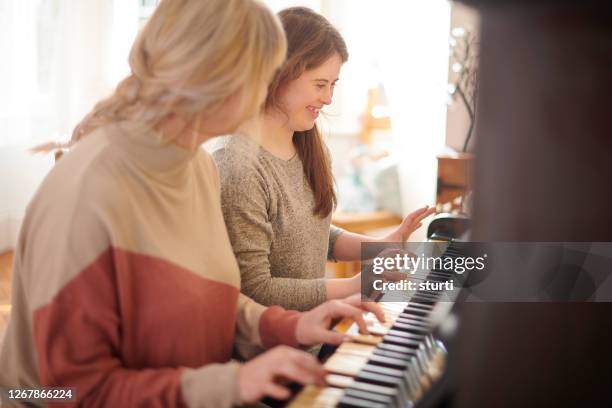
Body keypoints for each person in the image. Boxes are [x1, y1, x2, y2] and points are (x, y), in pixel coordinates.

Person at [0, 1, 383, 406]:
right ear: (216, 77)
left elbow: (211, 297)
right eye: (263, 73)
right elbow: (66, 390)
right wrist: (230, 384)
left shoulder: (197, 167)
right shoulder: (89, 192)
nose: (267, 89)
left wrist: (291, 326)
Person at [213, 7, 435, 312]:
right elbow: (256, 289)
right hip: (274, 354)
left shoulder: (309, 150)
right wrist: (360, 282)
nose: (328, 98)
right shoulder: (239, 169)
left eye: (333, 84)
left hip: (317, 338)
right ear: (280, 73)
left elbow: (315, 235)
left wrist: (383, 245)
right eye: (320, 84)